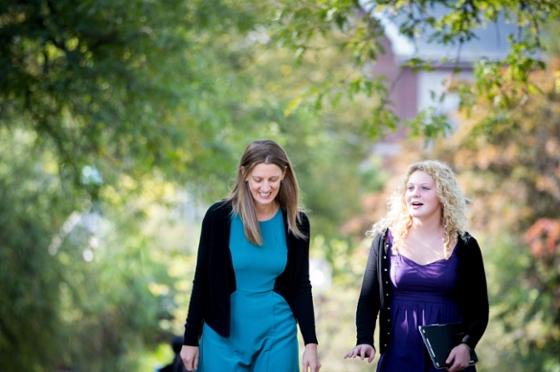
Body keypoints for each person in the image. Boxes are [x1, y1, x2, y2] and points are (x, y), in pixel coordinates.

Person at [180, 140, 321, 372]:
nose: (266, 187)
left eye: (273, 179)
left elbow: (301, 286)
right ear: (244, 174)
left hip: (276, 332)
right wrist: (190, 338)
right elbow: (202, 280)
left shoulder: (296, 223)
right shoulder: (218, 217)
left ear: (284, 174)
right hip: (223, 335)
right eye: (258, 179)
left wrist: (311, 343)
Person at [345, 160, 488, 372]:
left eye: (425, 188)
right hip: (398, 353)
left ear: (443, 195)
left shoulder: (466, 245)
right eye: (410, 188)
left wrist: (467, 344)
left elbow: (479, 307)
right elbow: (369, 297)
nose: (415, 194)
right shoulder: (385, 241)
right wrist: (364, 339)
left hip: (448, 357)